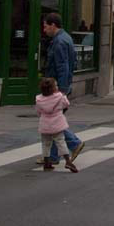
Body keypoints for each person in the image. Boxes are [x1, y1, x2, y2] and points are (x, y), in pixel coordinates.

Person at [42, 14, 84, 165]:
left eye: (46, 26)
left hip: (57, 88)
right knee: (54, 120)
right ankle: (53, 156)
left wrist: (60, 91)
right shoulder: (66, 38)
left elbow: (62, 66)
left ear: (53, 25)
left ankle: (74, 143)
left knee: (52, 122)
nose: (44, 29)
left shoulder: (59, 42)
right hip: (61, 86)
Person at [36, 77, 77, 173]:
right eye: (56, 85)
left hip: (45, 124)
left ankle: (47, 163)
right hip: (57, 123)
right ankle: (68, 161)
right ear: (54, 88)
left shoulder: (39, 99)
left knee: (46, 144)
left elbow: (38, 112)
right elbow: (66, 104)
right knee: (61, 142)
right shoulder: (60, 97)